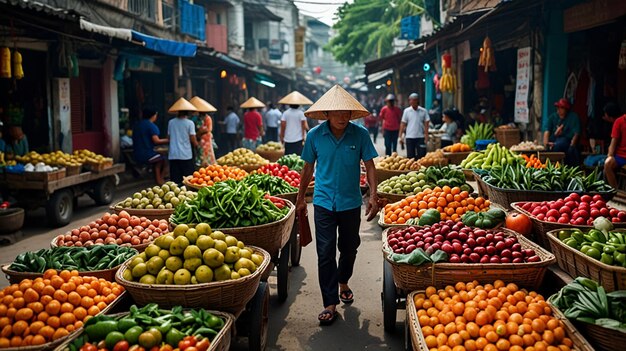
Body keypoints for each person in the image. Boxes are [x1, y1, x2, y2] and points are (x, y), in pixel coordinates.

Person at [295, 85, 380, 326]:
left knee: (350, 246)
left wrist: (373, 195)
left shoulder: (360, 134)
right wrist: (301, 199)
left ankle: (343, 280)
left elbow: (370, 166)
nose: (343, 117)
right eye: (338, 112)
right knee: (325, 252)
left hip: (351, 202)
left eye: (347, 113)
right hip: (322, 202)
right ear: (327, 114)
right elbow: (307, 168)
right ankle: (329, 303)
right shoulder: (314, 136)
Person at [132, 107, 169, 184]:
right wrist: (169, 140)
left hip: (136, 152)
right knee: (163, 160)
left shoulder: (137, 124)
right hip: (147, 153)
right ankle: (160, 180)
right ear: (153, 116)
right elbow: (156, 141)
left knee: (159, 157)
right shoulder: (151, 126)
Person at [167, 98, 198, 185]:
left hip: (173, 154)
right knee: (188, 180)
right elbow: (193, 138)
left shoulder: (171, 122)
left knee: (175, 180)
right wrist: (197, 145)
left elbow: (169, 137)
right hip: (186, 155)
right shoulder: (190, 123)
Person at [542, 98, 581, 166]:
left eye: (561, 108)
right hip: (554, 141)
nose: (559, 110)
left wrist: (572, 146)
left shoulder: (573, 117)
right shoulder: (553, 117)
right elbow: (546, 131)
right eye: (558, 108)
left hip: (567, 142)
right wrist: (547, 144)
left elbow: (576, 133)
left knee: (564, 147)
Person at [278, 91, 313, 156]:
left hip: (288, 139)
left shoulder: (285, 113)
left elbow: (282, 126)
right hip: (298, 139)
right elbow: (304, 126)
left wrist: (281, 137)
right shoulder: (301, 113)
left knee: (288, 158)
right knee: (297, 158)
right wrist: (304, 136)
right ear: (298, 104)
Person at [400, 93, 430, 159]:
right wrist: (400, 136)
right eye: (410, 100)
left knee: (422, 156)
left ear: (417, 101)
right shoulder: (407, 111)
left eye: (413, 100)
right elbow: (403, 124)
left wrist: (426, 135)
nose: (412, 102)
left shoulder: (423, 111)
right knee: (410, 157)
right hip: (409, 137)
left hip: (420, 137)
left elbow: (426, 124)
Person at [189, 97, 217, 167]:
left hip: (206, 140)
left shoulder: (208, 118)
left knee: (207, 155)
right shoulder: (196, 118)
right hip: (198, 139)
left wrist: (200, 132)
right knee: (200, 155)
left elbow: (209, 129)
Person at [603, 107, 626, 188]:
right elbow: (613, 142)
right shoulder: (619, 121)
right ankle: (614, 191)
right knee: (607, 163)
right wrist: (610, 156)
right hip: (621, 156)